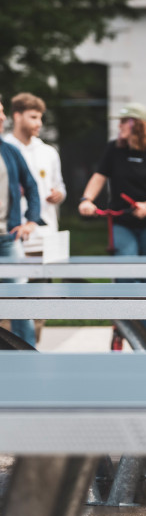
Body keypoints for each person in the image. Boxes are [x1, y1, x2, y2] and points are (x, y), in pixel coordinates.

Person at [78, 102, 146, 342]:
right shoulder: (114, 149)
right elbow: (99, 177)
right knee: (125, 275)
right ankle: (127, 333)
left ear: (138, 125)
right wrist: (86, 199)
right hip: (122, 223)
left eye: (124, 121)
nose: (119, 126)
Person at [3, 92, 66, 344]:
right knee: (13, 296)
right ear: (17, 116)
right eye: (33, 117)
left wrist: (58, 194)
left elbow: (58, 186)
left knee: (38, 296)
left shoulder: (48, 152)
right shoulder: (7, 148)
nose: (39, 123)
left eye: (40, 117)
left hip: (44, 234)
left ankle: (30, 347)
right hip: (14, 234)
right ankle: (10, 348)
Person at [0, 98, 41, 347]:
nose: (2, 118)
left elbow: (32, 187)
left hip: (8, 239)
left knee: (20, 303)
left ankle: (28, 359)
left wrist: (31, 221)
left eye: (3, 112)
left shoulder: (9, 151)